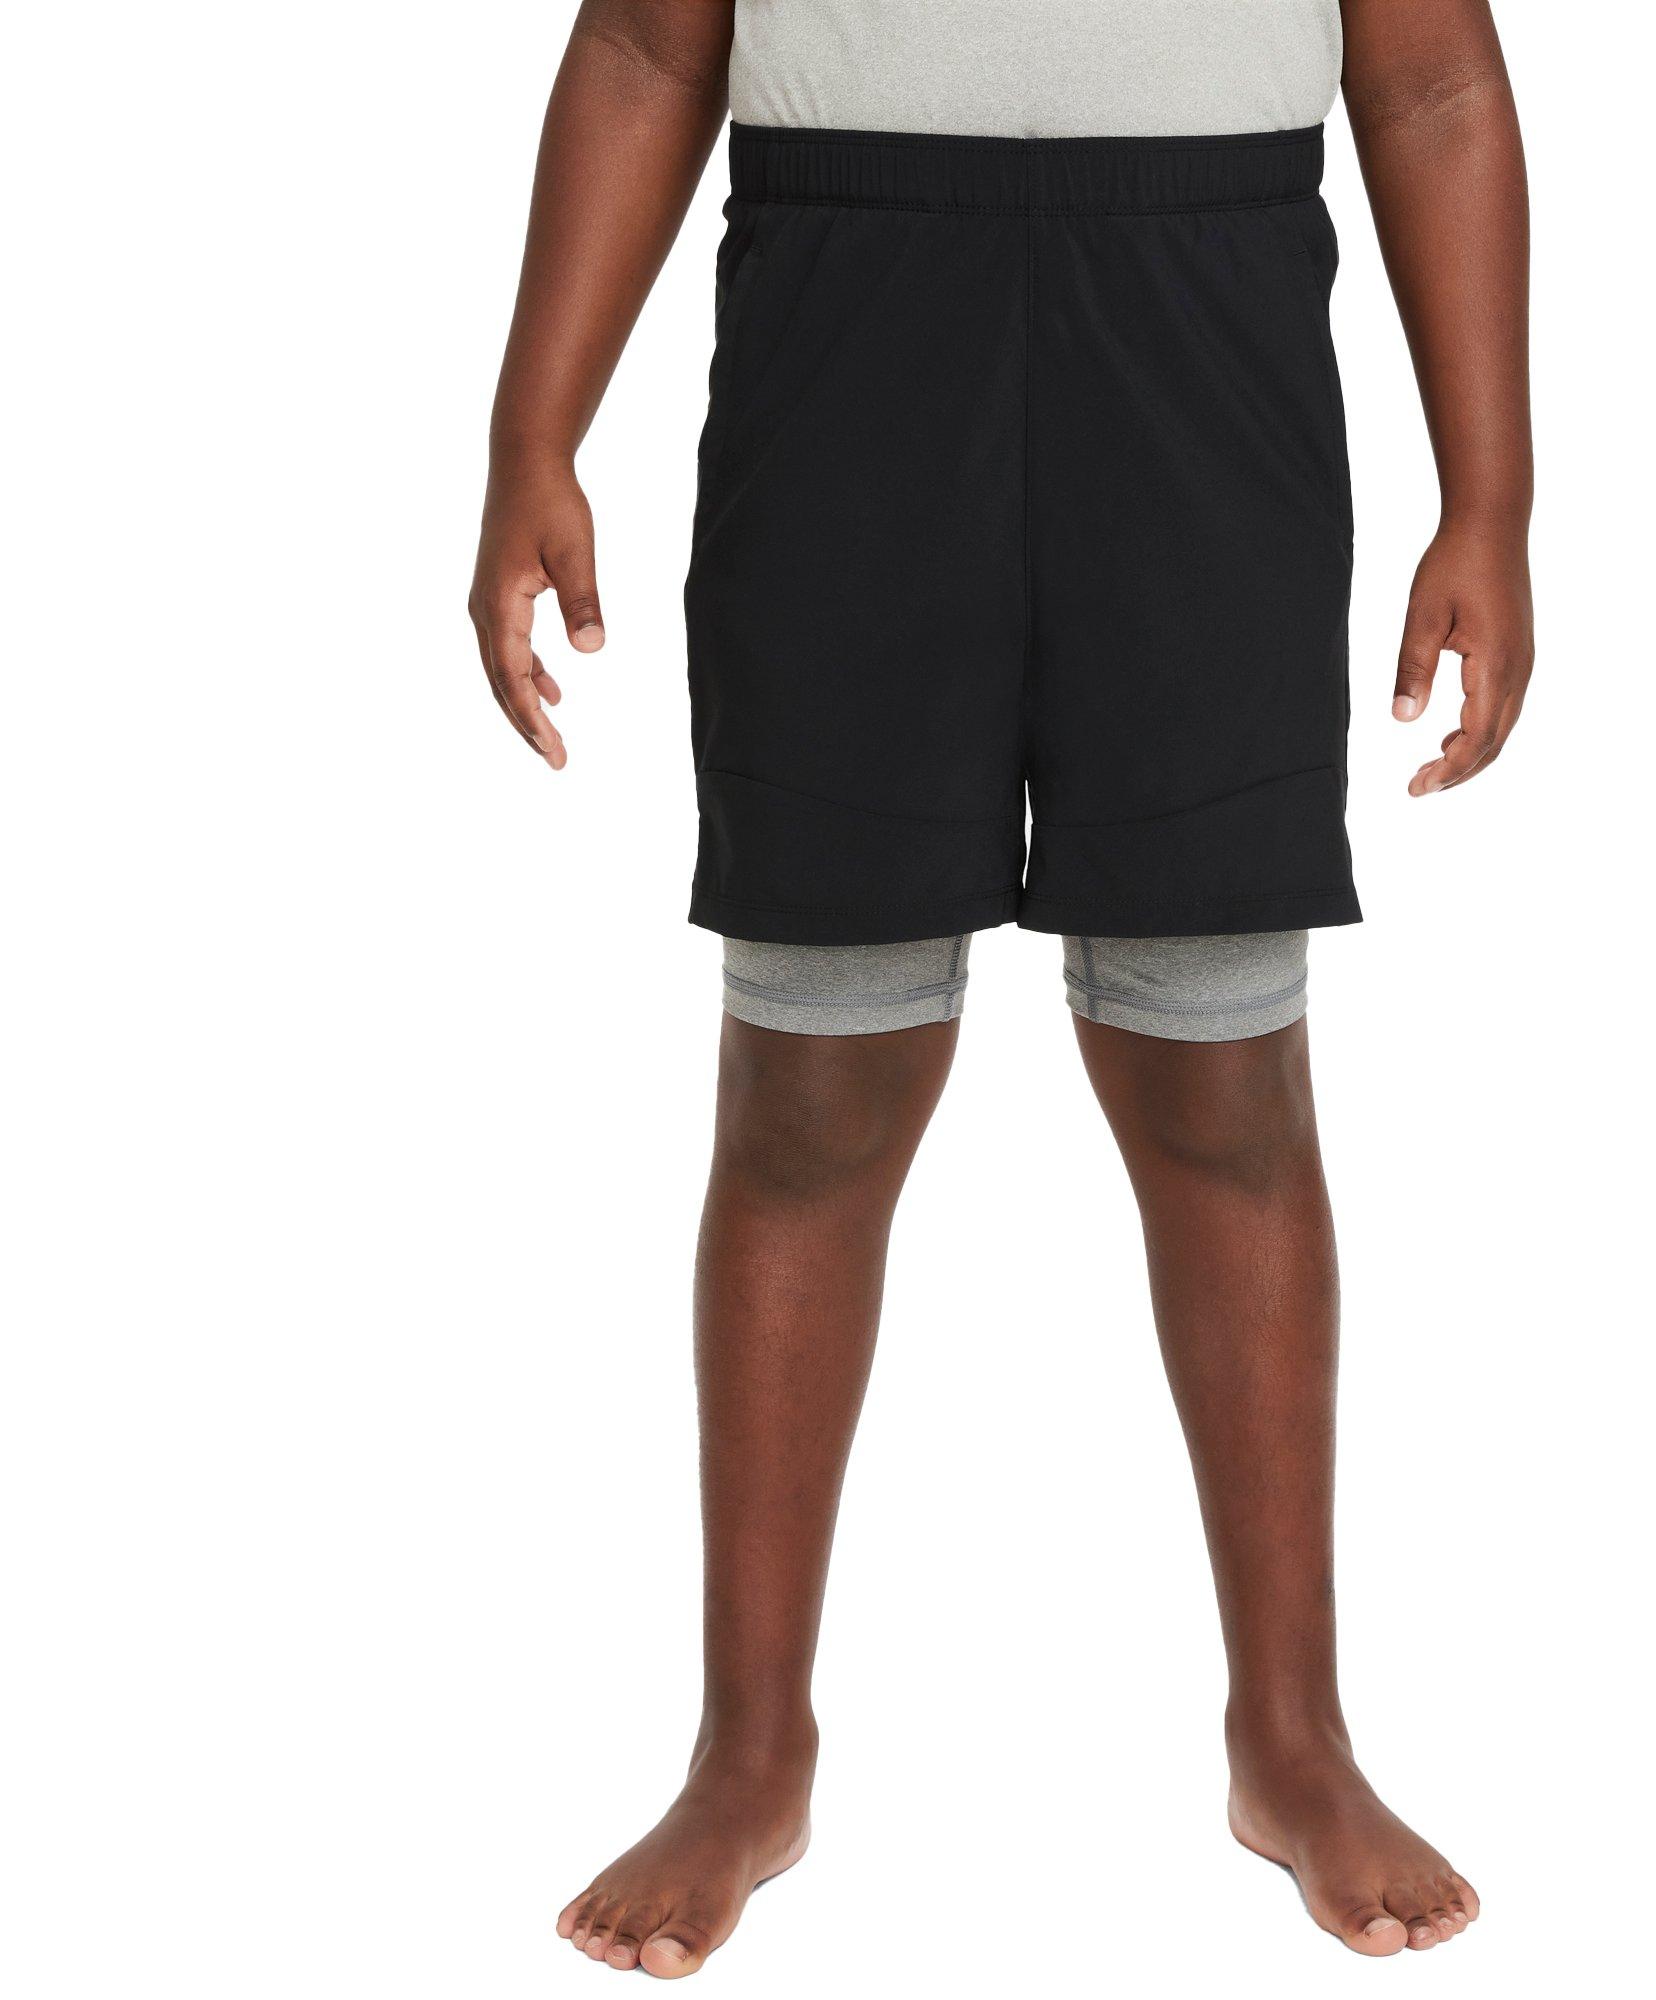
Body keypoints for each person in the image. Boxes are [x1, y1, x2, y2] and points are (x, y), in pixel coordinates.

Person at [469, 0, 1532, 1974]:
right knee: (810, 1087)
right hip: (850, 315)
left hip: (1205, 316)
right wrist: (534, 431)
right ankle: (749, 1751)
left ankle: (1289, 1736)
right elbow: (644, 50)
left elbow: (1433, 77)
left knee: (1222, 1078)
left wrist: (1494, 495)